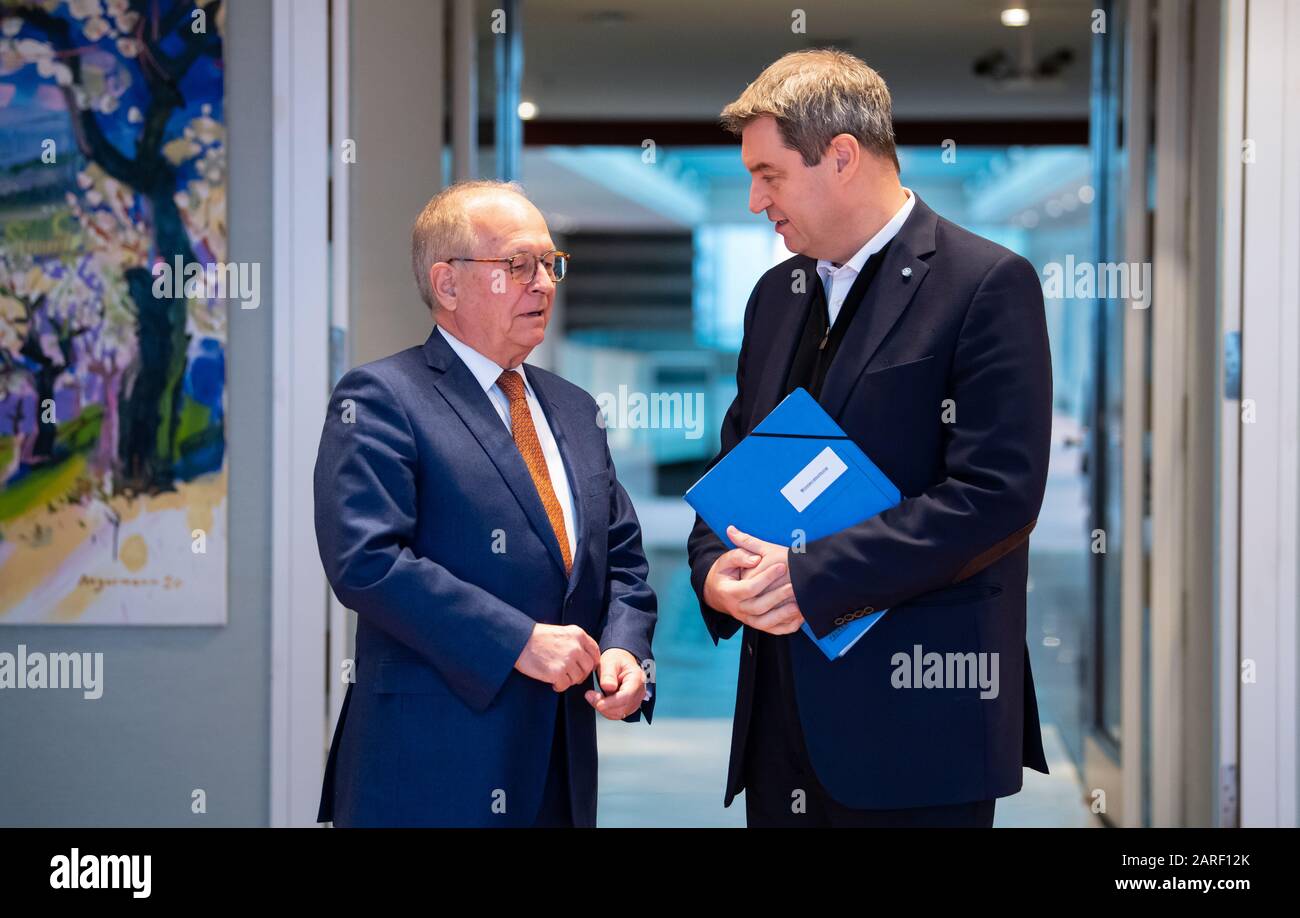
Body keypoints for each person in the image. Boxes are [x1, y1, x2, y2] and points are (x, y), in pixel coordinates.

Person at [687, 49, 1052, 828]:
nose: (756, 200)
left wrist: (810, 575)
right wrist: (714, 572)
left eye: (769, 174)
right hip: (780, 729)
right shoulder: (772, 298)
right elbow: (735, 464)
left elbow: (997, 497)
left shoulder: (987, 284)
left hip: (920, 725)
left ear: (842, 157)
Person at [315, 180, 656, 827]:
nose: (543, 284)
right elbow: (366, 561)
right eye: (516, 266)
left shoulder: (574, 409)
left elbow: (623, 562)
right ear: (447, 285)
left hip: (559, 773)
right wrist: (518, 641)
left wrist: (625, 651)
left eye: (549, 264)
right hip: (430, 772)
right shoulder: (383, 398)